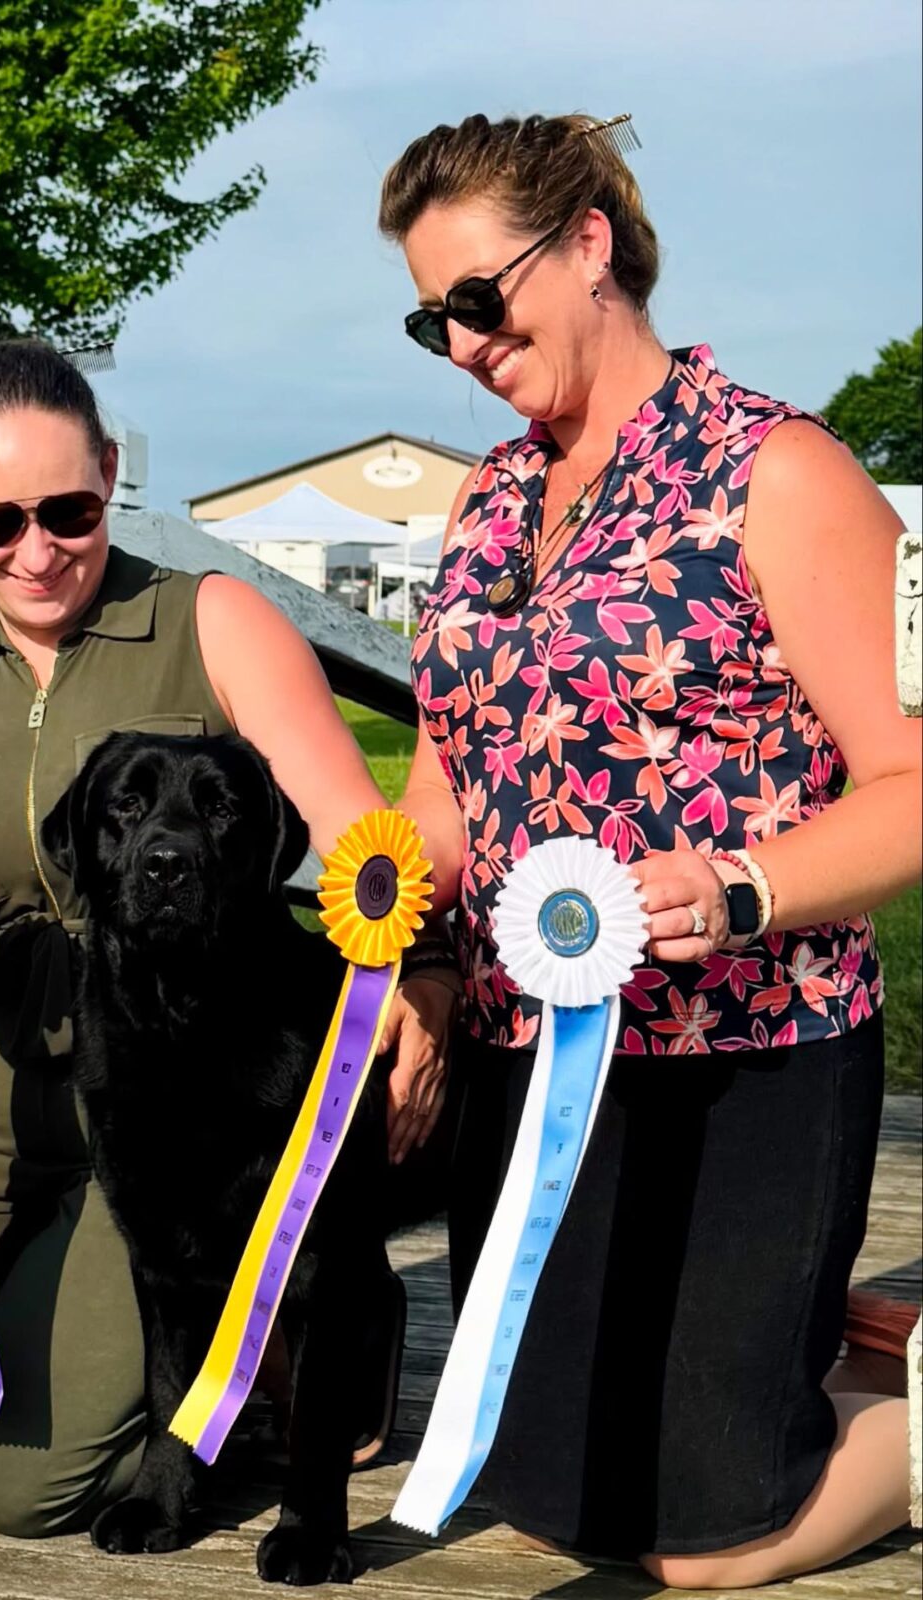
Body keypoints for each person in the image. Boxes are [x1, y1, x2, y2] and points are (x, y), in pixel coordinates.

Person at [0, 340, 461, 1535]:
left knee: (15, 1487)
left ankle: (304, 1330)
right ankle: (58, 1316)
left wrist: (429, 982)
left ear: (111, 476)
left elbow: (371, 857)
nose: (35, 550)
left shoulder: (213, 621)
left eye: (68, 509)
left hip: (177, 1108)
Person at [382, 112, 920, 1588]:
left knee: (704, 1545)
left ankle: (904, 1405)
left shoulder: (777, 465)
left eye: (479, 300)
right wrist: (400, 939)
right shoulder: (488, 501)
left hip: (749, 1052)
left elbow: (911, 783)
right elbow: (446, 789)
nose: (463, 345)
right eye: (431, 321)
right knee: (550, 1497)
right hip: (530, 1063)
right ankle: (845, 1350)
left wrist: (742, 887)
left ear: (591, 246)